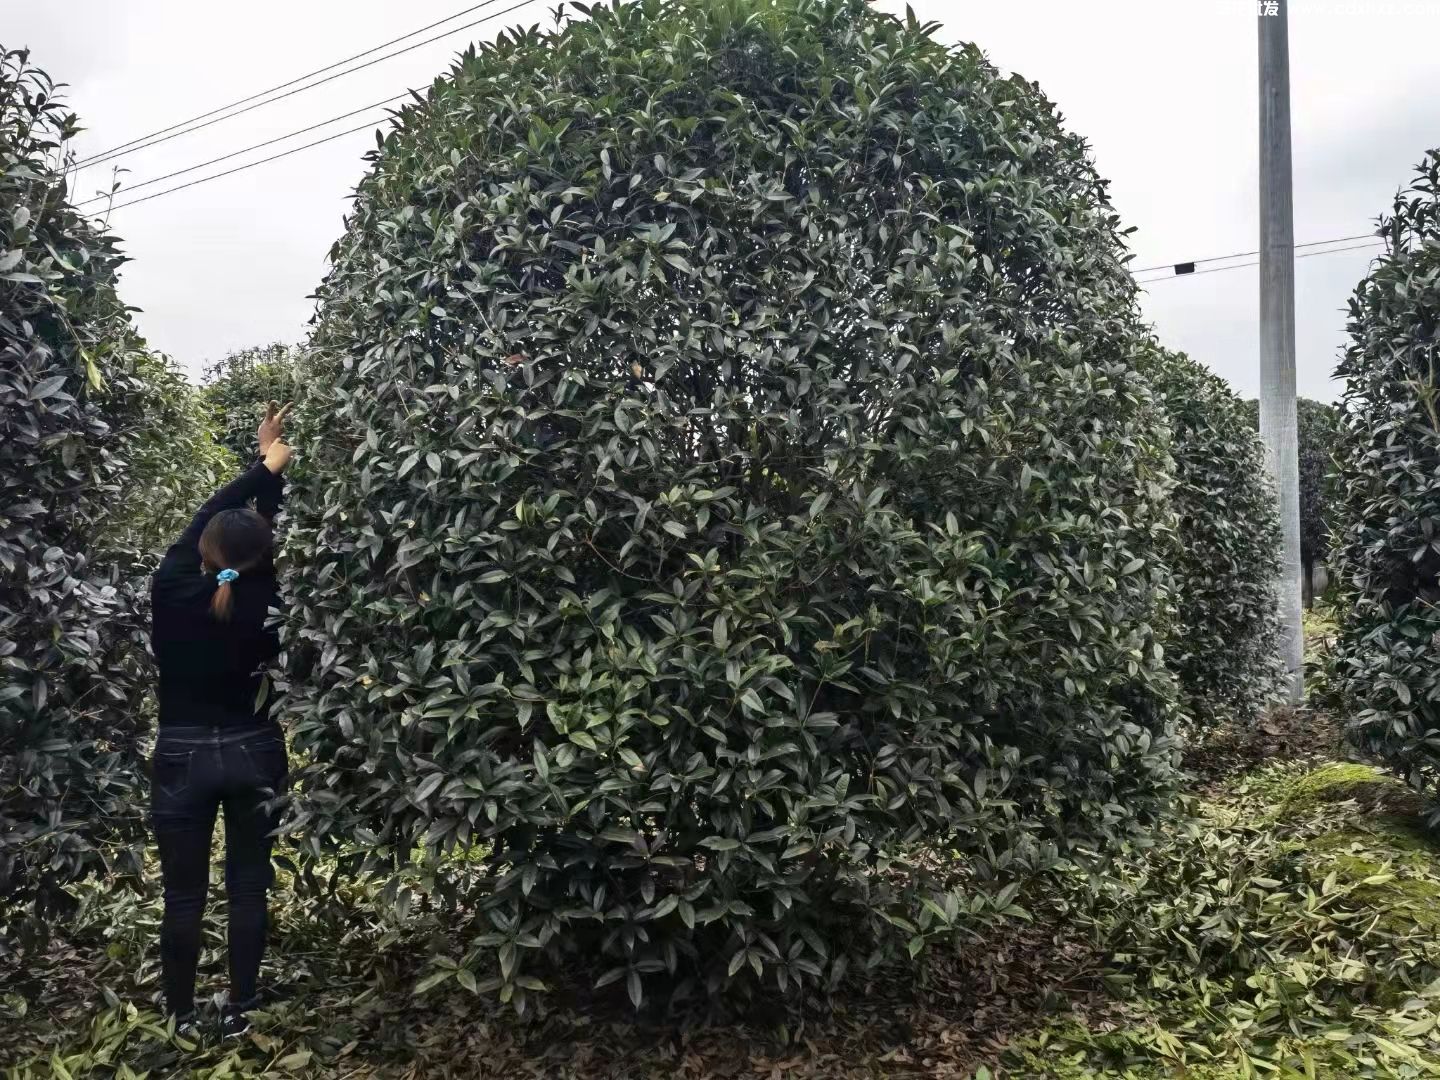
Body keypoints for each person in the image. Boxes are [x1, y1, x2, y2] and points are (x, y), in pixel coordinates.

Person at [149, 401, 293, 1040]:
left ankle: (180, 1014)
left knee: (182, 893)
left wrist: (262, 465)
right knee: (248, 884)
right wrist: (276, 474)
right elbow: (247, 542)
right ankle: (241, 1007)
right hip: (255, 748)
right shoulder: (271, 597)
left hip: (182, 753)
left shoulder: (174, 585)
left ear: (204, 550)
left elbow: (208, 520)